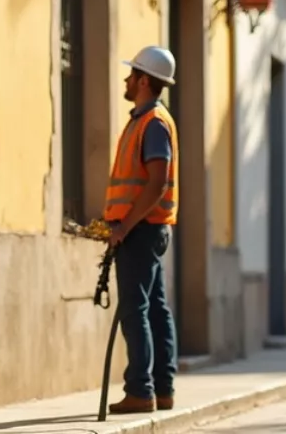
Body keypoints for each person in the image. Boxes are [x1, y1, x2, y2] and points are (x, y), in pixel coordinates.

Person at [104, 46, 181, 416]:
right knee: (156, 310)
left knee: (136, 310)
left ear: (144, 81)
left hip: (141, 231)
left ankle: (141, 390)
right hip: (148, 229)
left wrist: (123, 227)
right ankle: (162, 389)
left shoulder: (152, 123)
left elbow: (157, 183)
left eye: (132, 74)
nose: (126, 79)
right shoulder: (145, 120)